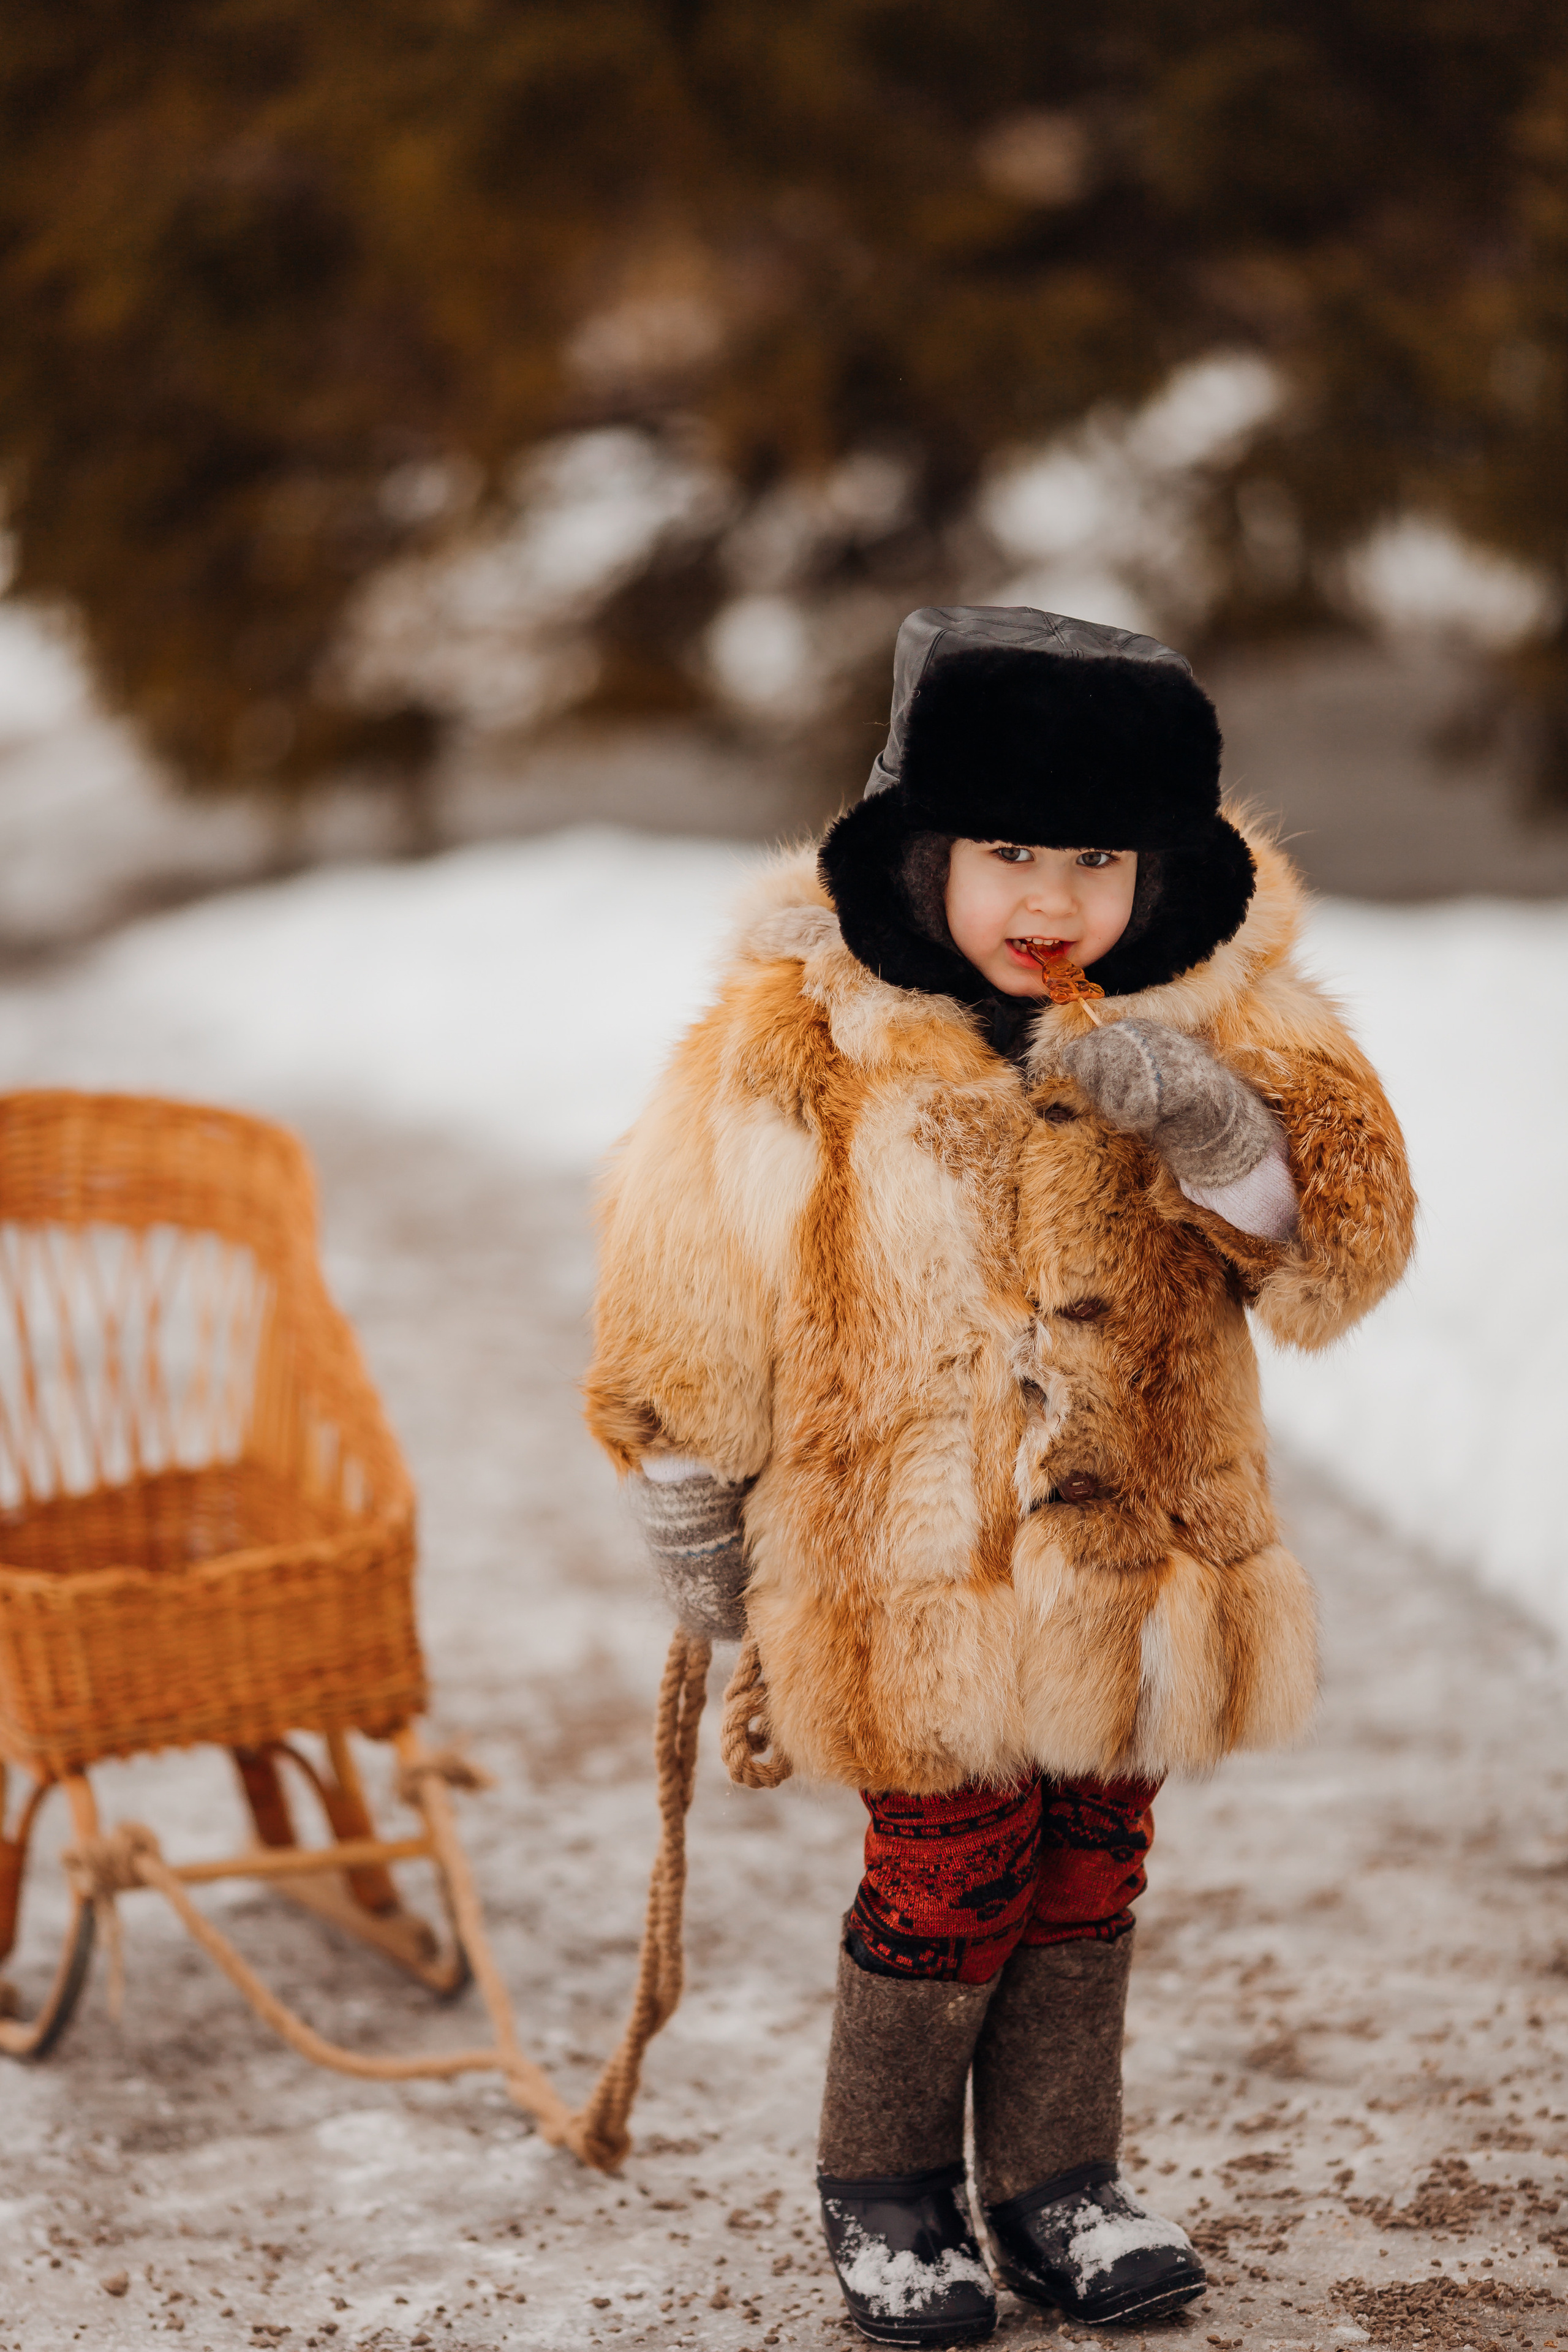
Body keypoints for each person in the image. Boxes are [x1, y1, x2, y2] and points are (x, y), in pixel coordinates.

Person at [586, 606, 1415, 2346]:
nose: (1053, 898)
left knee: (1092, 1852)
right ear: (928, 846)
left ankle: (1058, 2179)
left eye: (1098, 856)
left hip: (1141, 1555)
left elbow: (1342, 1255)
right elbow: (690, 1252)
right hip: (907, 1562)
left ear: (1159, 864)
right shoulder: (808, 1029)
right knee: (951, 1857)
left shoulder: (1236, 1018)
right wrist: (685, 1467)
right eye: (1011, 851)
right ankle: (884, 2180)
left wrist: (1213, 1136)